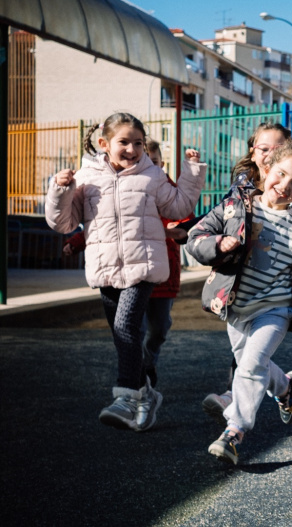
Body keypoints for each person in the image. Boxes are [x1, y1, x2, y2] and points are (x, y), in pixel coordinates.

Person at [45, 112, 206, 432]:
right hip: (105, 270)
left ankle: (126, 396)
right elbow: (63, 223)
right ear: (104, 143)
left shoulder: (152, 175)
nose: (132, 149)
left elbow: (179, 208)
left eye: (138, 143)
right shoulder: (87, 177)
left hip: (143, 266)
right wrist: (60, 190)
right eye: (124, 142)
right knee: (123, 337)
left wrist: (191, 172)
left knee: (126, 327)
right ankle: (146, 392)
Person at [187, 140, 292, 465]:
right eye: (281, 174)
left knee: (251, 364)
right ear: (266, 169)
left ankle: (234, 431)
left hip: (275, 309)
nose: (284, 186)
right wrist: (218, 243)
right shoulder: (237, 207)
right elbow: (195, 237)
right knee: (249, 362)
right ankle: (285, 388)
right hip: (236, 307)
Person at [61, 138, 196, 387]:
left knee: (159, 327)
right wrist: (77, 241)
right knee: (134, 327)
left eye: (154, 162)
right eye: (147, 161)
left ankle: (148, 362)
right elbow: (108, 222)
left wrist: (182, 231)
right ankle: (138, 374)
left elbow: (183, 217)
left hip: (164, 273)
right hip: (134, 269)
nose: (149, 165)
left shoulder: (164, 187)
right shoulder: (127, 187)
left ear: (160, 164)